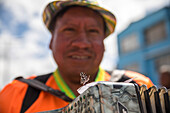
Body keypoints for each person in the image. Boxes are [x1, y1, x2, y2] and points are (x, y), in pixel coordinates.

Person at [0, 0, 154, 113]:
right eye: (69, 30)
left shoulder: (139, 87)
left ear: (104, 44)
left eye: (93, 31)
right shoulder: (14, 96)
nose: (81, 44)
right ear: (51, 41)